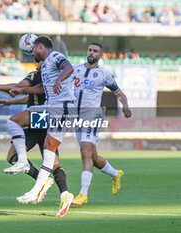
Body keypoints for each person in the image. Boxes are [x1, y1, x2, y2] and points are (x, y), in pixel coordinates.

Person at [0, 63, 69, 205]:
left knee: (12, 155)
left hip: (37, 121)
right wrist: (11, 102)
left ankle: (41, 178)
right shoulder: (55, 77)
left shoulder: (36, 75)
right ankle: (65, 193)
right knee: (53, 163)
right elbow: (30, 96)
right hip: (50, 120)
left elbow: (18, 86)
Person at [7, 36, 75, 217]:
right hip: (49, 108)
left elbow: (69, 68)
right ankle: (23, 163)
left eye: (33, 50)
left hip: (63, 108)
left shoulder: (55, 57)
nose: (31, 53)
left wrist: (59, 80)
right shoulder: (44, 65)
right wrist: (22, 90)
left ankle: (36, 189)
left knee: (49, 150)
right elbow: (42, 89)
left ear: (40, 46)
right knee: (15, 120)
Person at [70, 43, 132, 206]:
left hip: (93, 115)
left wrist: (125, 106)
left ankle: (83, 194)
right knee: (93, 158)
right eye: (90, 50)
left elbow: (120, 93)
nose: (91, 53)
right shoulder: (75, 69)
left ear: (100, 55)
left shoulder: (104, 75)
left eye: (95, 51)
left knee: (85, 152)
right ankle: (116, 174)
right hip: (77, 117)